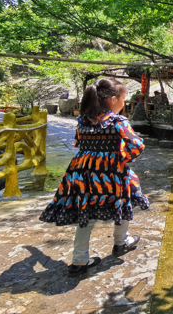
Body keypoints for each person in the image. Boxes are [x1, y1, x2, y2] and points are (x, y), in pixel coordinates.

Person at [39, 78, 149, 277]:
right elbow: (137, 145)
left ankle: (79, 259)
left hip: (83, 173)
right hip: (111, 174)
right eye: (123, 99)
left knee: (87, 214)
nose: (123, 104)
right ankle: (121, 243)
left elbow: (79, 143)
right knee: (122, 203)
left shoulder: (83, 121)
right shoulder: (118, 122)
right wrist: (120, 157)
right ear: (113, 99)